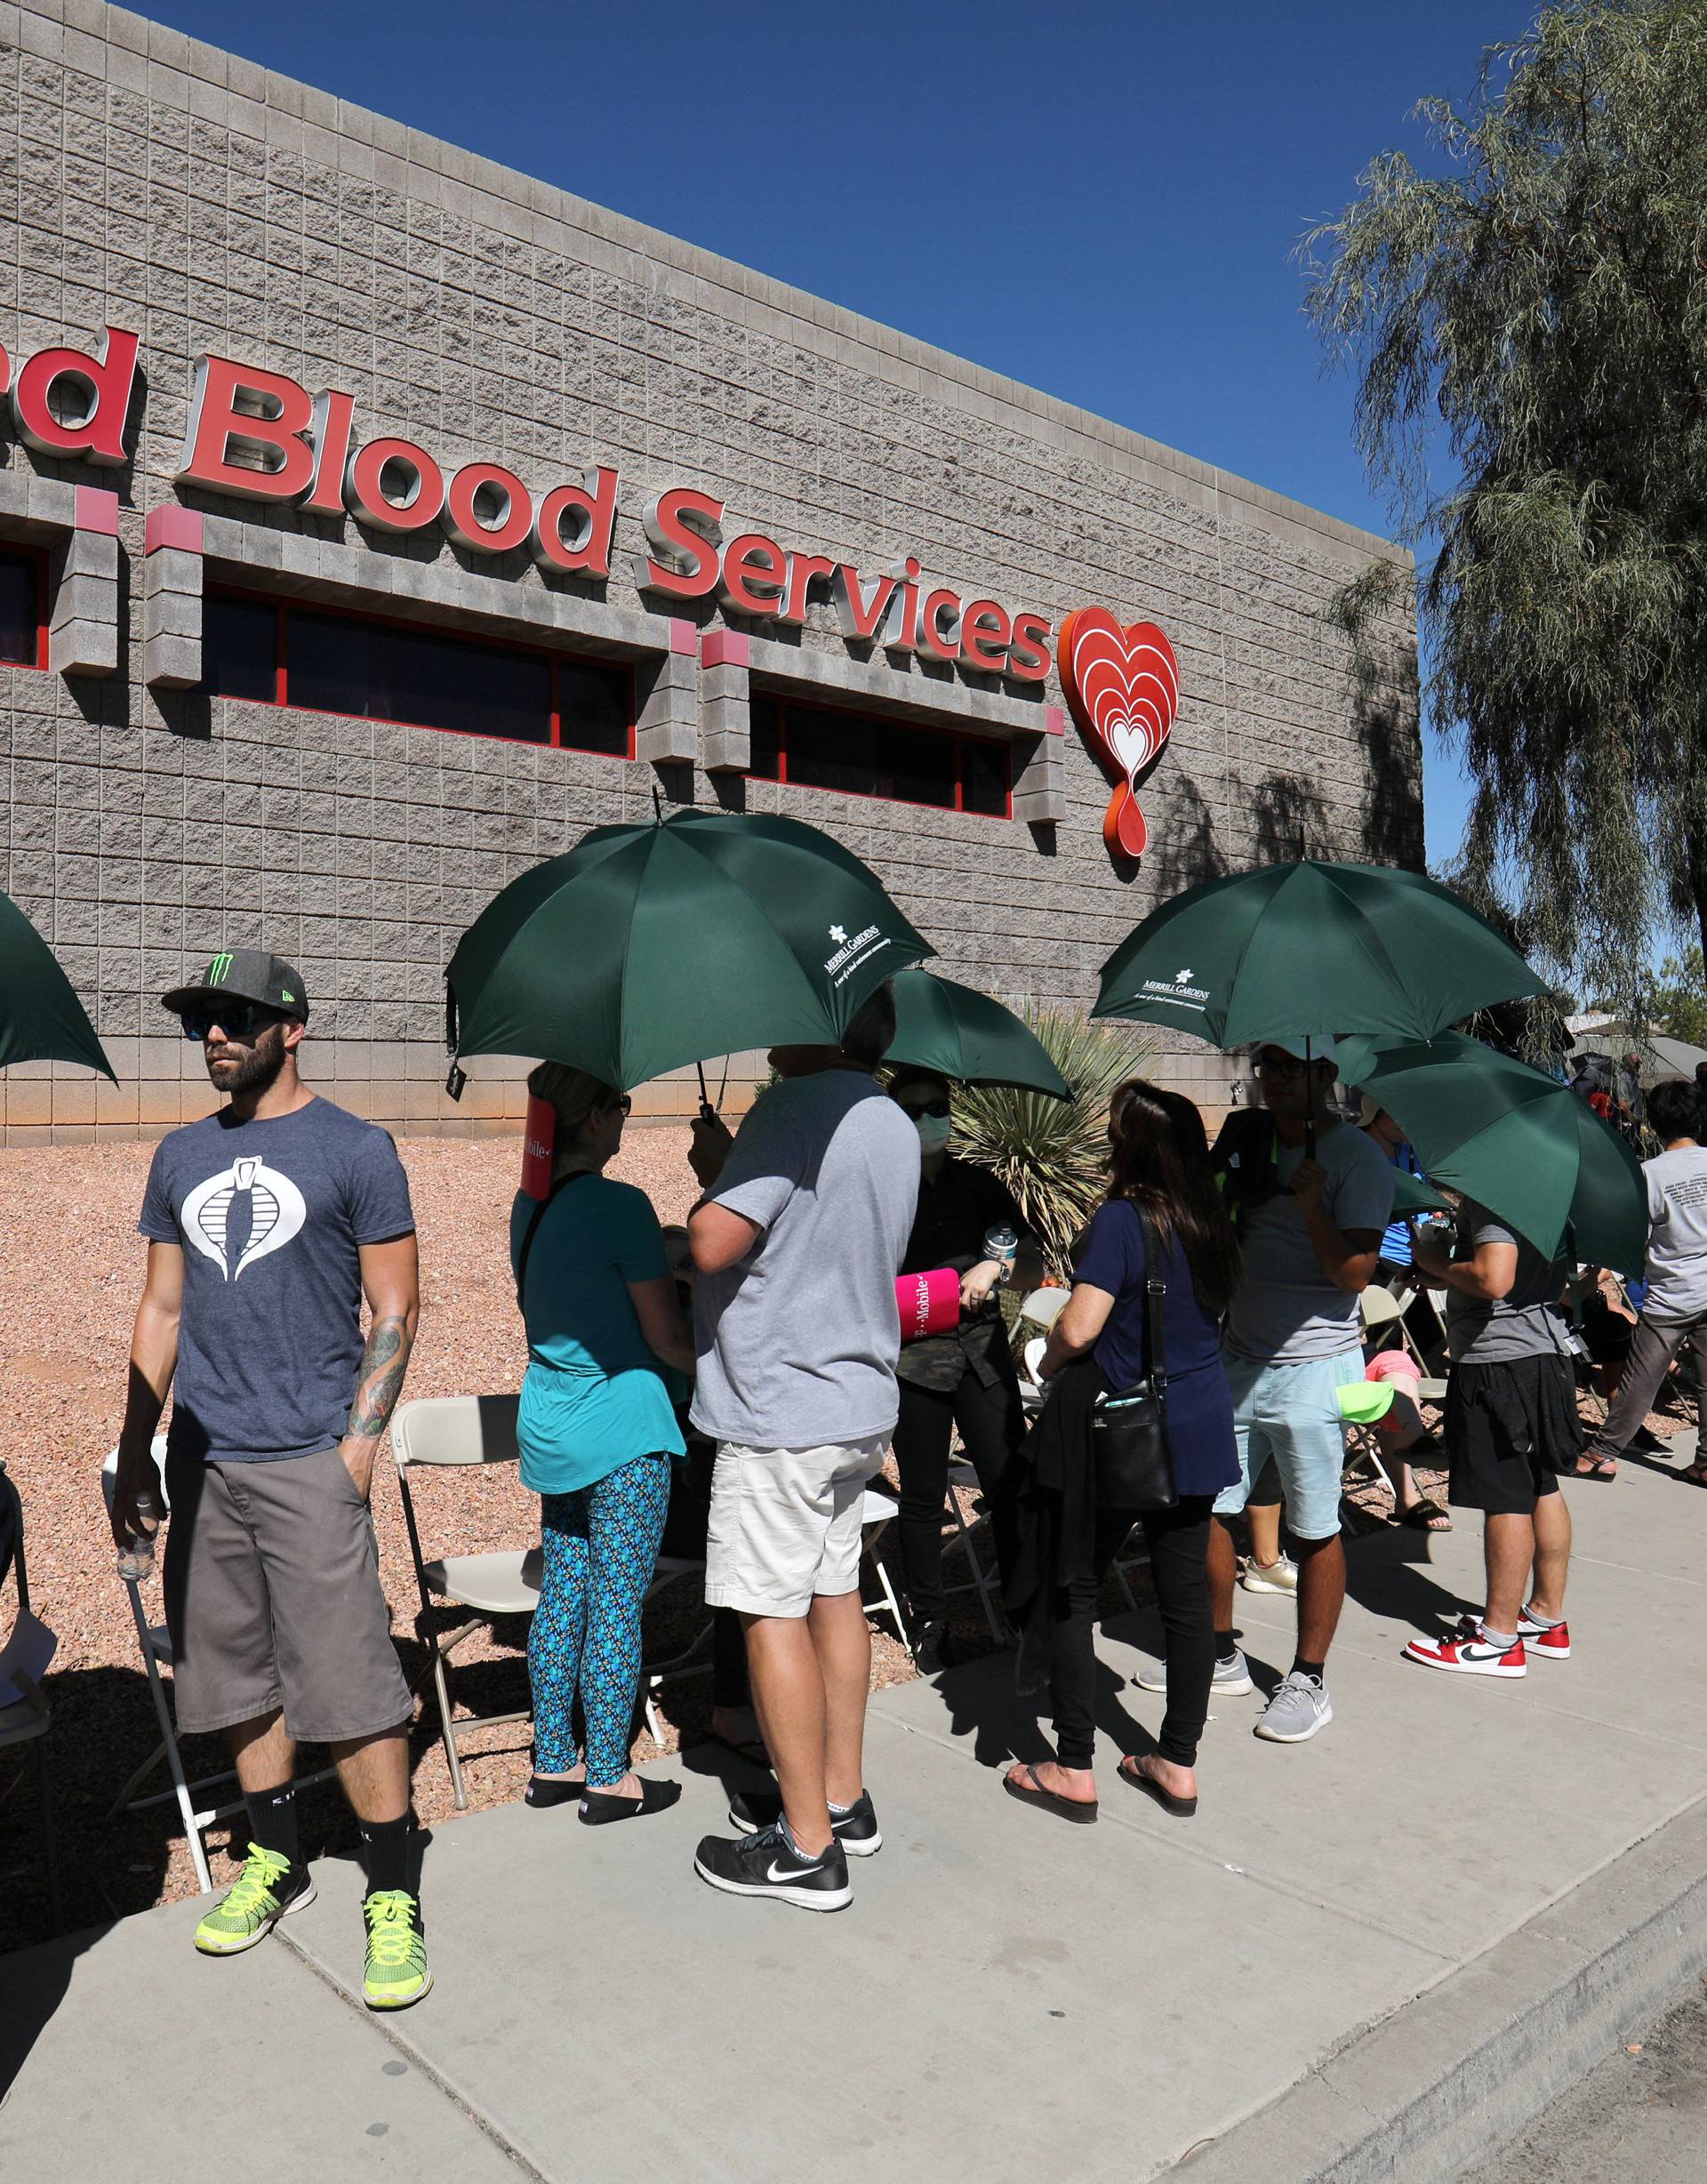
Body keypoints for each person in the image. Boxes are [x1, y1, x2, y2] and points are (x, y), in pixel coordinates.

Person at [108, 950, 430, 2009]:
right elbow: (162, 1310)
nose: (215, 1034)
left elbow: (395, 1306)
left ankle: (392, 1886)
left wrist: (358, 1451)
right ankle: (277, 1860)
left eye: (237, 1016)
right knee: (235, 1677)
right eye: (203, 1018)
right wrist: (139, 1447)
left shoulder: (356, 1146)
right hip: (204, 1458)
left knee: (348, 1680)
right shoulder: (180, 1154)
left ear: (292, 1027)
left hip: (308, 1457)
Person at [685, 984, 918, 1911]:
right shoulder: (890, 1117)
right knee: (835, 1594)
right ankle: (841, 1796)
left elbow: (713, 1240)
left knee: (765, 1610)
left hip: (781, 1407)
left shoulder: (792, 1106)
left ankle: (807, 1850)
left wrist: (718, 1169)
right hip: (858, 1397)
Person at [1002, 1081, 1239, 1824]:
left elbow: (1079, 1327)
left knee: (1074, 1583)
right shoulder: (1209, 1221)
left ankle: (1074, 1764)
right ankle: (1177, 1760)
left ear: (1134, 1145)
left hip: (1123, 1431)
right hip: (1199, 1424)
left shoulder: (1121, 1220)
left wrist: (1044, 1360)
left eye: (1112, 1129)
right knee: (1187, 1602)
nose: (1104, 1139)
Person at [511, 1063, 696, 1822]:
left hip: (553, 1425)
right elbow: (667, 1340)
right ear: (593, 1119)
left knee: (563, 1597)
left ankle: (554, 1761)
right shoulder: (624, 1206)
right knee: (618, 1606)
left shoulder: (530, 1204)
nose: (625, 1116)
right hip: (622, 1427)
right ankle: (610, 1775)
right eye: (619, 1105)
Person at [1208, 1037, 1396, 1744]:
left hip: (1316, 1369)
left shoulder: (1355, 1159)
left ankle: (1308, 1679)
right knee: (1207, 1509)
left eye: (1294, 1068)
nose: (1277, 1080)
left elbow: (1353, 1274)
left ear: (1327, 1074)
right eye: (1269, 1067)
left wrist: (1314, 1205)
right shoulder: (1246, 1137)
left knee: (1313, 1528)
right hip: (1238, 1357)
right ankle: (1220, 1655)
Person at [887, 1067, 1042, 1669]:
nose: (928, 1117)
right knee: (922, 1497)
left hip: (982, 1358)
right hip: (913, 1363)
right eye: (914, 1108)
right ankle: (930, 1620)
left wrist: (996, 1270)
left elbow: (1030, 1263)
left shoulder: (981, 1187)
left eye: (937, 1106)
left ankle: (1025, 1611)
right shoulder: (882, 1191)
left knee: (1010, 1487)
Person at [1401, 1200, 1578, 1675]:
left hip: (1498, 1362)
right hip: (1543, 1351)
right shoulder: (1548, 1189)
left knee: (1506, 1497)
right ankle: (1545, 1617)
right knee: (1541, 1485)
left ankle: (1499, 1638)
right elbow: (1540, 1279)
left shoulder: (1496, 1195)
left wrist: (1434, 1262)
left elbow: (1495, 1278)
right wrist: (1442, 1271)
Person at [1575, 1078, 1707, 1488]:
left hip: (1671, 1297)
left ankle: (1602, 1453)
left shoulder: (1648, 1175)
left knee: (1640, 1379)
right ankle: (1705, 1462)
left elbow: (1631, 1242)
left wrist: (1588, 1279)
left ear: (1655, 1121)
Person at [1358, 1098, 1450, 1533]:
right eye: (1399, 1113)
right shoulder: (1359, 1150)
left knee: (1412, 1358)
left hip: (1409, 1268)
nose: (1408, 1123)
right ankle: (1409, 1479)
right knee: (1390, 1358)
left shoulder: (1408, 1152)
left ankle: (1411, 1449)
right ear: (1376, 1112)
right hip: (1373, 1269)